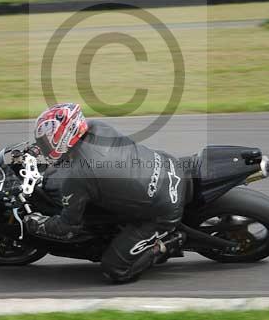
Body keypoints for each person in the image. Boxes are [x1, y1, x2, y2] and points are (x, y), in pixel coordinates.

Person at [23, 103, 191, 282]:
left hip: (164, 209)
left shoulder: (77, 178)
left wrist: (38, 224)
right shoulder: (98, 127)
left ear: (63, 137)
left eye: (47, 141)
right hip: (168, 164)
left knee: (115, 270)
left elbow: (67, 227)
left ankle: (166, 244)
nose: (45, 145)